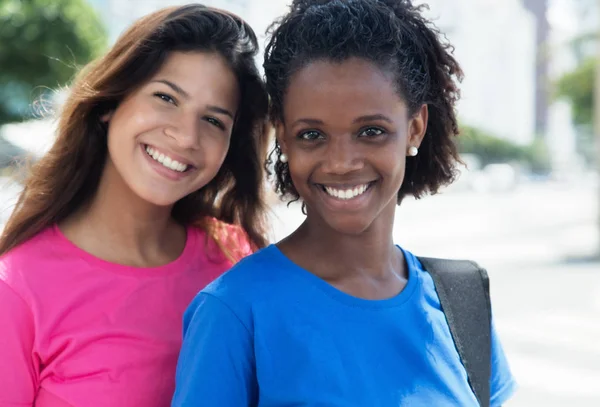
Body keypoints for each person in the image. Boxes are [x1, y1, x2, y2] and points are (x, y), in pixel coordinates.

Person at [171, 0, 517, 406]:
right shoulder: (234, 311)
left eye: (371, 131)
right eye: (312, 135)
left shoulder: (463, 301)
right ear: (283, 137)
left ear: (415, 128)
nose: (340, 163)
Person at [0, 4, 269, 406]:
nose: (185, 137)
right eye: (166, 97)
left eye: (213, 120)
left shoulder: (234, 257)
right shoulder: (17, 290)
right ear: (111, 102)